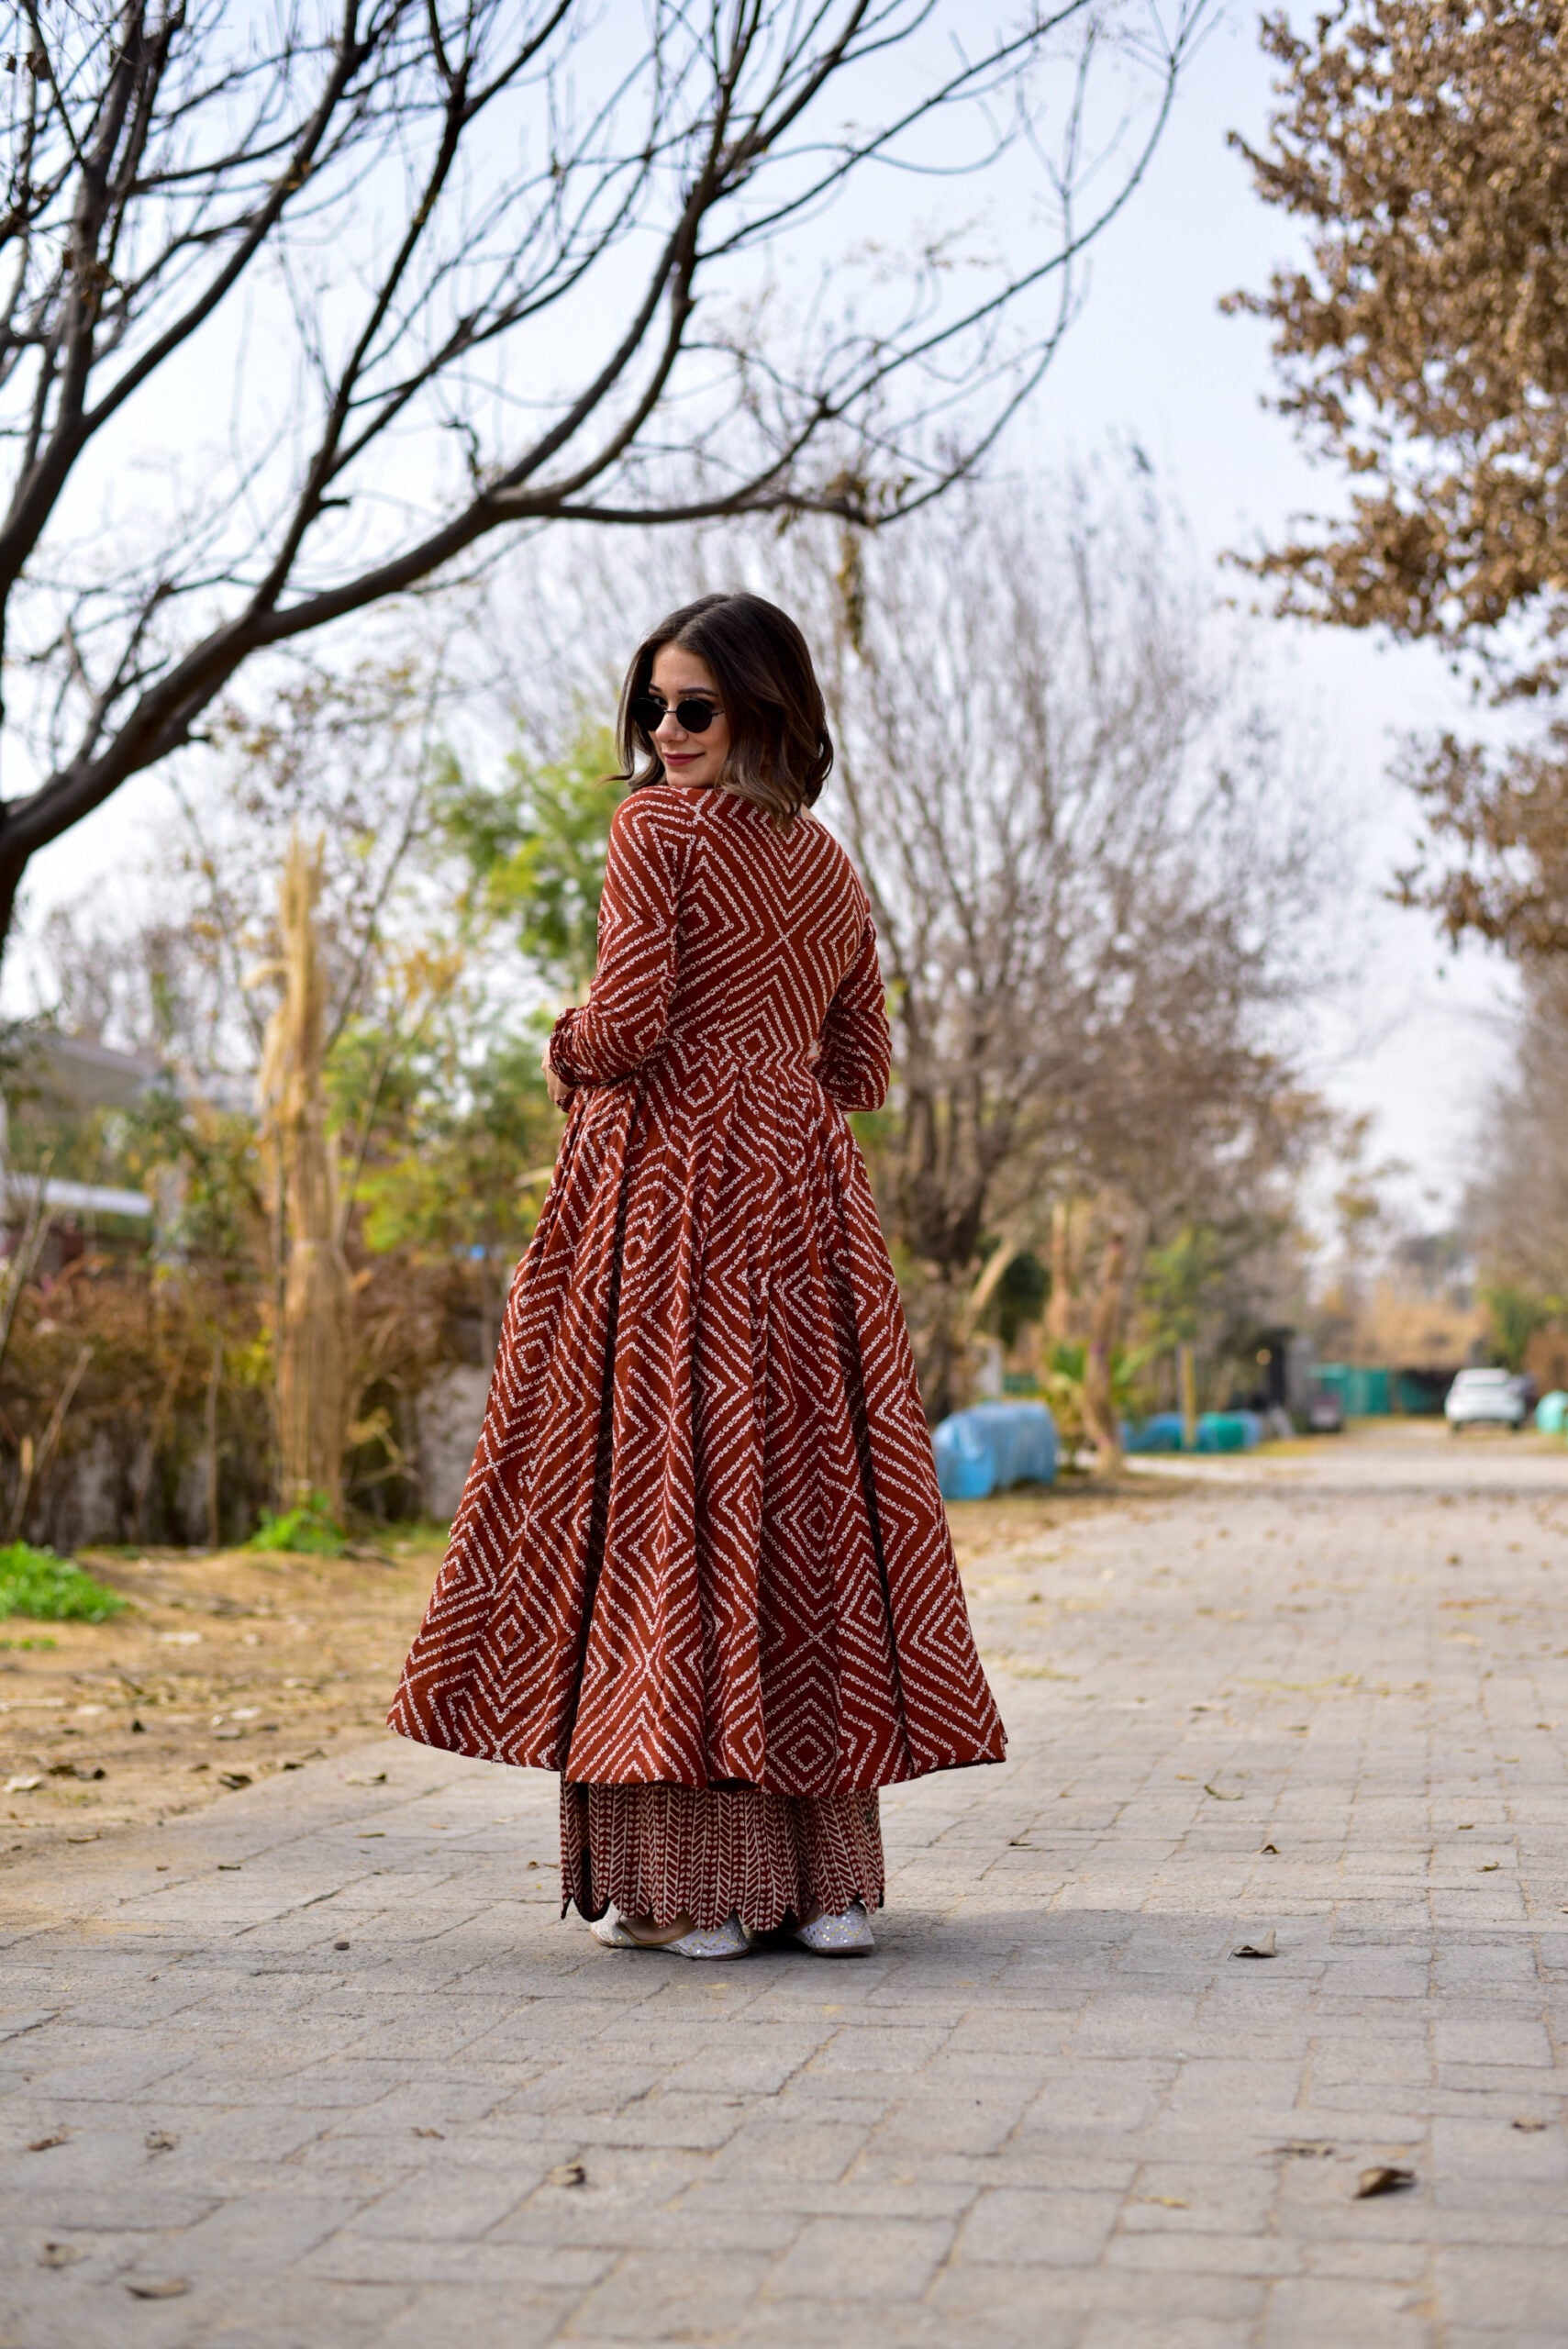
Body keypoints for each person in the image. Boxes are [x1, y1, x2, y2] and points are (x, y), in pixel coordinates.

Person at [389, 592, 1005, 1959]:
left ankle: (694, 1895)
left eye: (693, 710)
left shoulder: (652, 833)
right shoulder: (828, 864)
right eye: (650, 710)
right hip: (804, 1211)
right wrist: (765, 1053)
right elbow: (859, 1073)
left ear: (761, 713)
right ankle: (825, 1892)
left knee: (666, 1499)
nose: (663, 736)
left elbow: (625, 1027)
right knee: (799, 1509)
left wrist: (560, 1038)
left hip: (671, 1196)